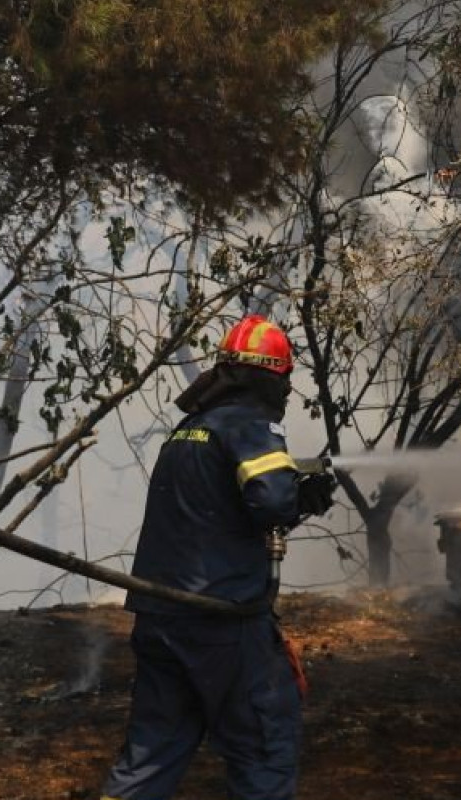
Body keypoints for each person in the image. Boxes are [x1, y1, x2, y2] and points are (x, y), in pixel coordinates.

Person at [101, 314, 335, 800]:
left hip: (161, 616)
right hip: (221, 621)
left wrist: (294, 499)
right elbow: (270, 500)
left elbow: (217, 512)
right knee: (263, 746)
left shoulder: (190, 429)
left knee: (149, 756)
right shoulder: (250, 424)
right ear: (273, 378)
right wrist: (302, 500)